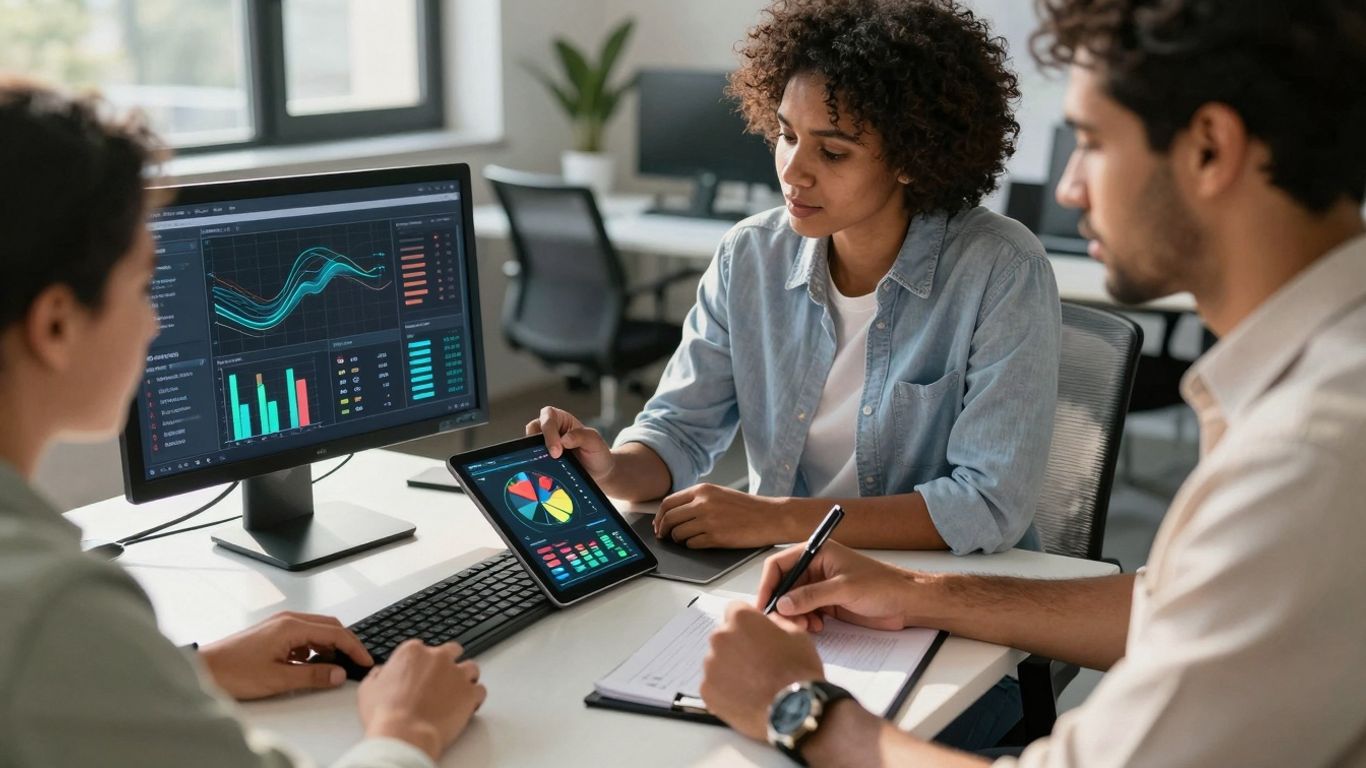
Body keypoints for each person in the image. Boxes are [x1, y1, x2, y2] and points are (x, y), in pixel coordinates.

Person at [698, 0, 1366, 764]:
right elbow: (1176, 603)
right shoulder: (1318, 387)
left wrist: (800, 710)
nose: (1073, 188)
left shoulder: (1311, 455)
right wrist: (916, 593)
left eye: (1090, 142)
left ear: (1210, 149)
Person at [0, 78, 486, 767]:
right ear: (55, 323)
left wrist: (187, 674)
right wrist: (408, 730)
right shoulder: (53, 607)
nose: (157, 321)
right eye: (144, 286)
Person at [530, 0, 1061, 557]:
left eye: (832, 152)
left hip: (938, 585)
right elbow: (679, 433)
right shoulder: (750, 255)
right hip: (787, 571)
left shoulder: (1002, 270)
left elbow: (987, 505)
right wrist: (610, 466)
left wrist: (776, 520)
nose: (792, 171)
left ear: (911, 158)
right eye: (787, 136)